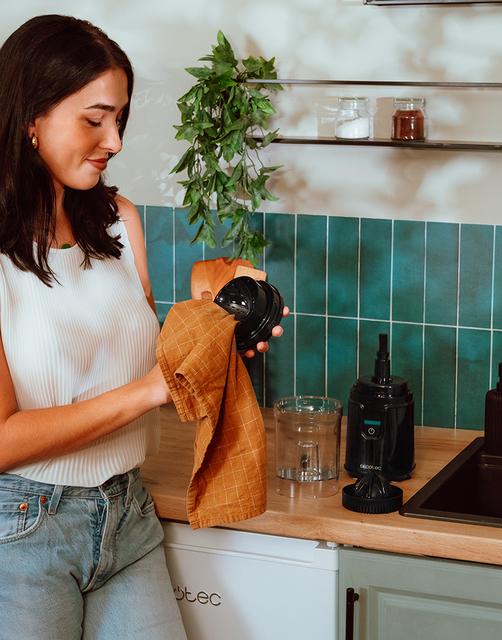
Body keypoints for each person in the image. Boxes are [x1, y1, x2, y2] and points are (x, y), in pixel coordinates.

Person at [0, 14, 286, 639]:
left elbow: (145, 364)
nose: (116, 140)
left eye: (120, 119)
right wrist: (156, 387)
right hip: (20, 533)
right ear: (30, 117)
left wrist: (205, 309)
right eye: (94, 118)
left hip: (127, 515)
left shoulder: (118, 220)